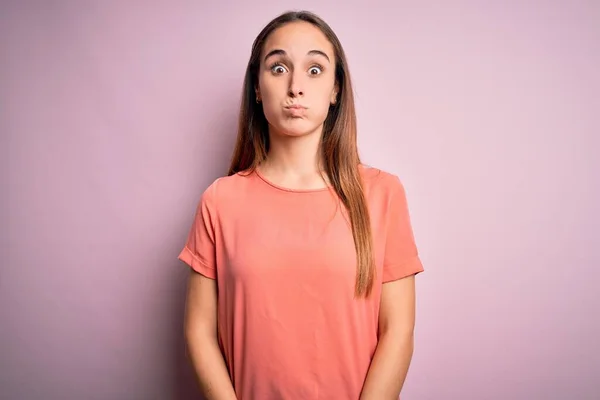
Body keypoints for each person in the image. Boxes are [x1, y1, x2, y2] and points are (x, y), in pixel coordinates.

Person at [178, 10, 424, 400]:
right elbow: (199, 331)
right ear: (257, 88)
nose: (295, 86)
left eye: (314, 70)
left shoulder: (383, 194)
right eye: (278, 68)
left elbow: (398, 332)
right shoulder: (220, 201)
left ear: (335, 90)